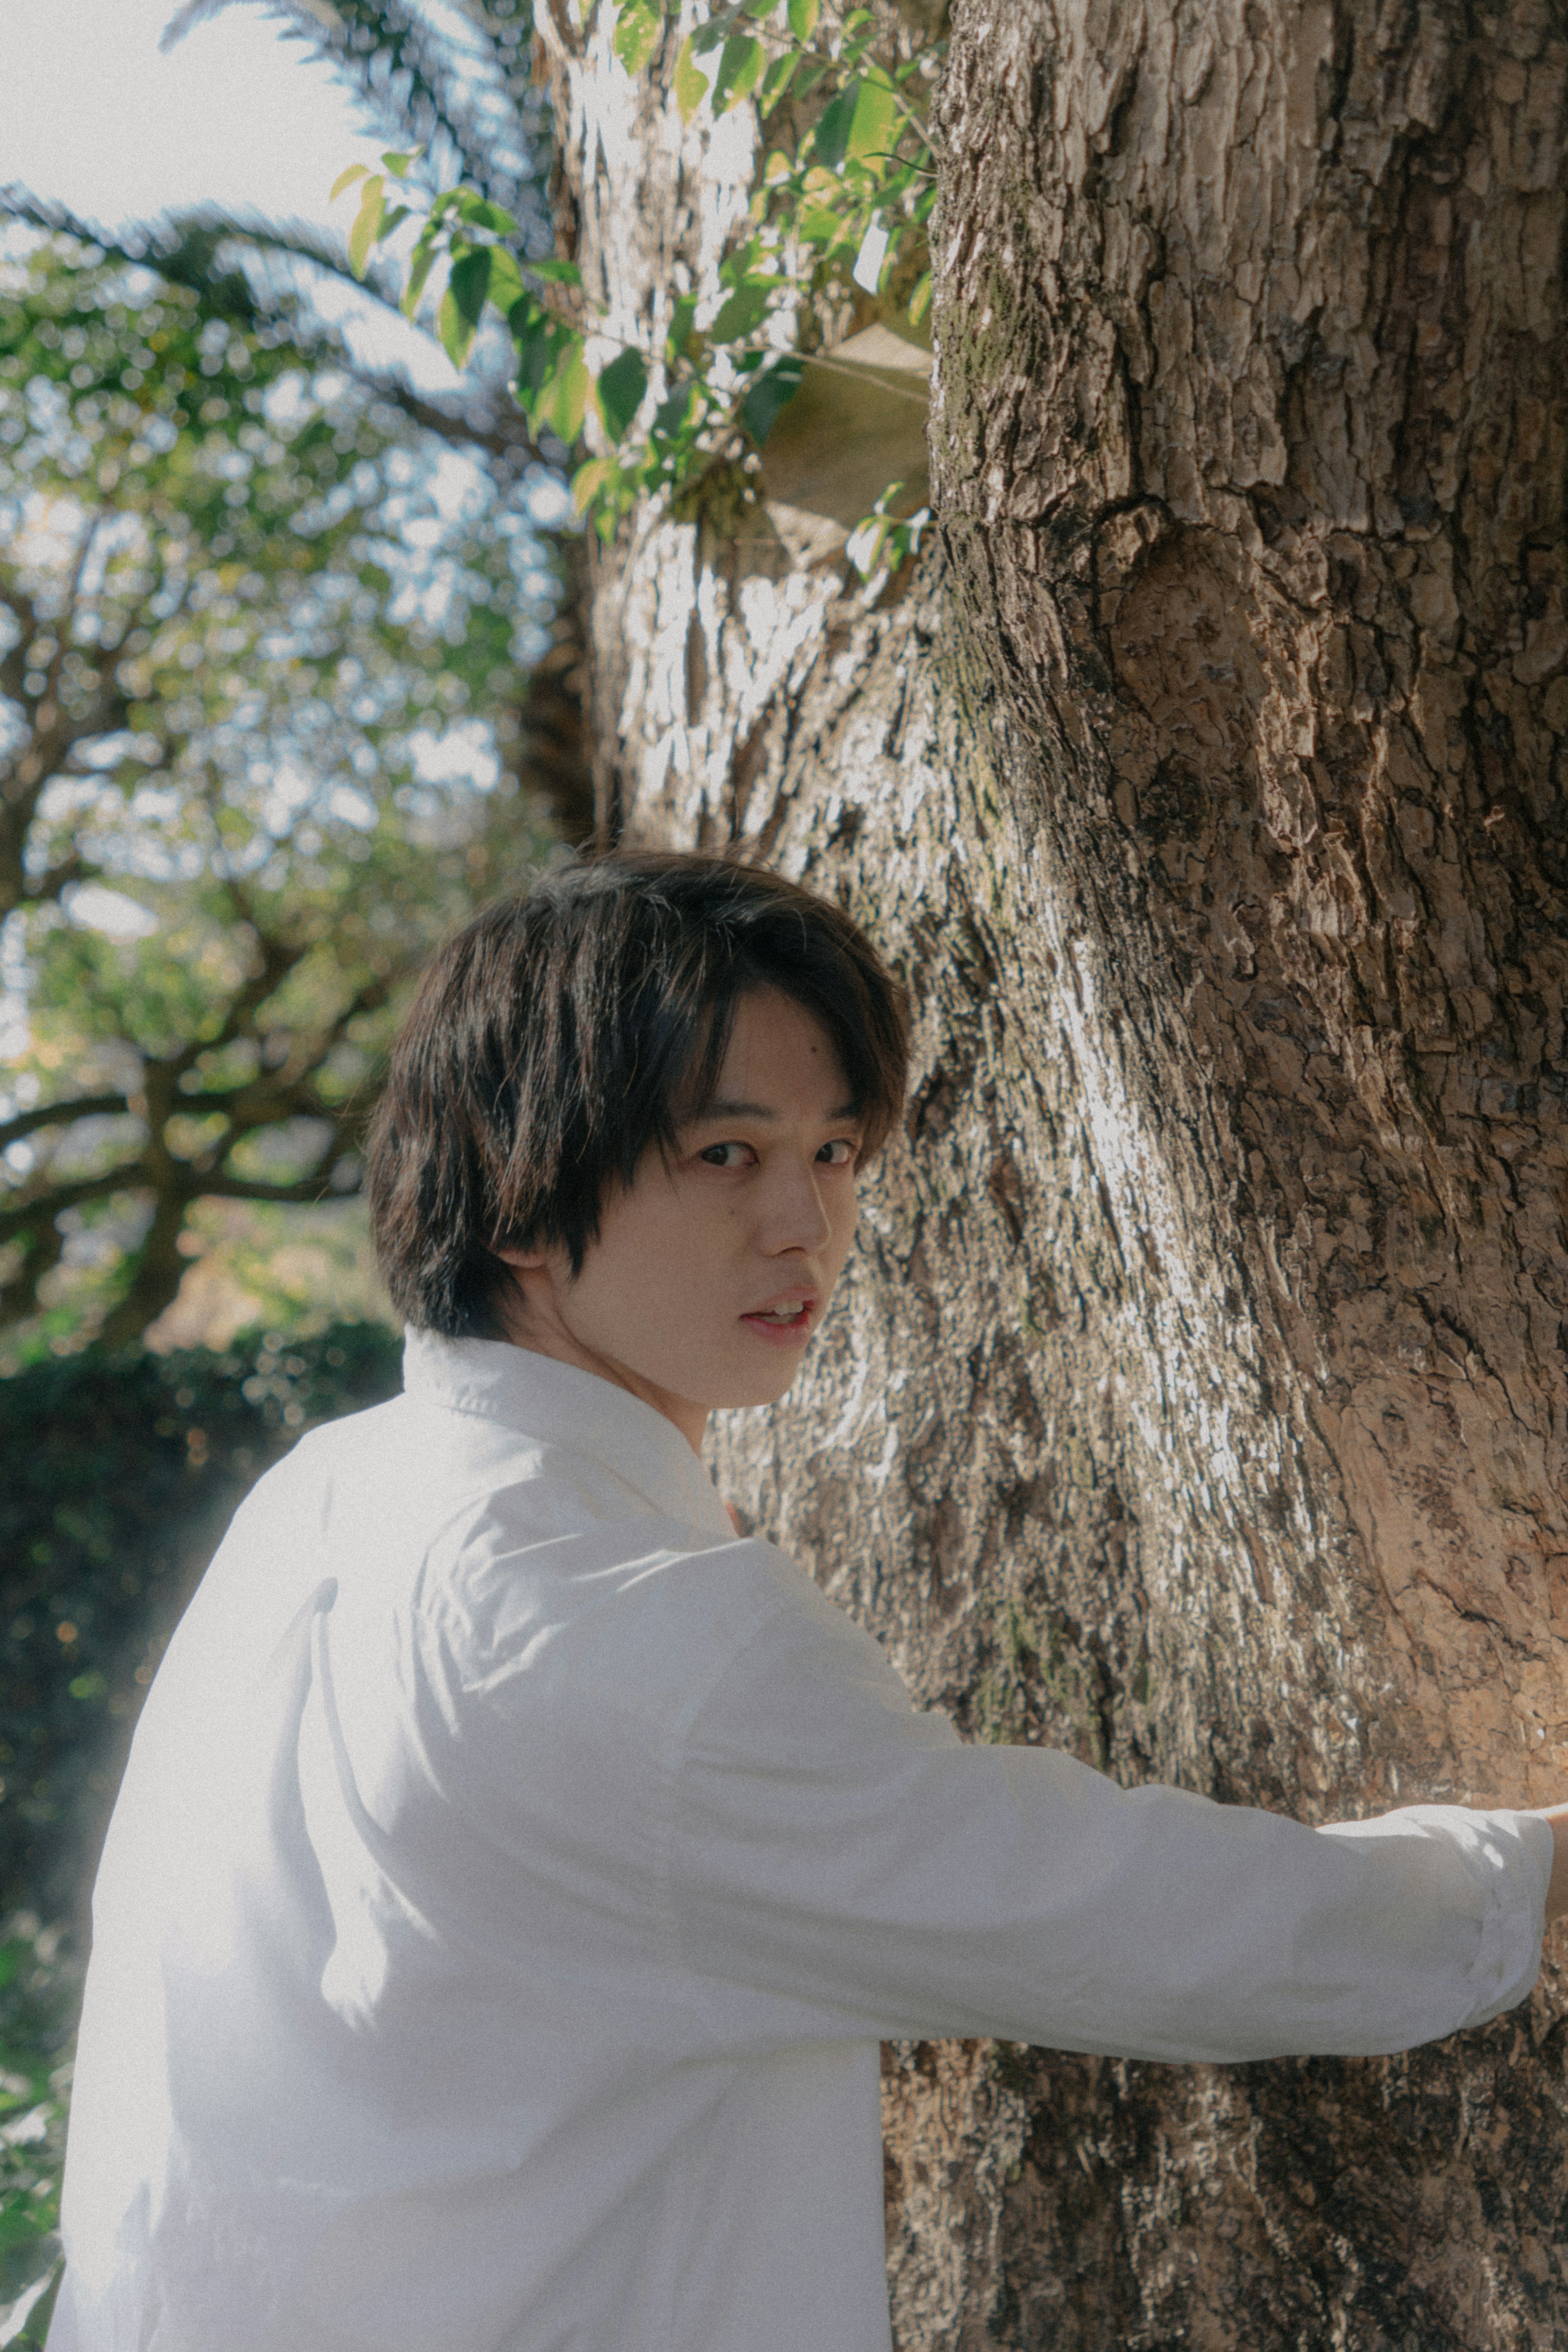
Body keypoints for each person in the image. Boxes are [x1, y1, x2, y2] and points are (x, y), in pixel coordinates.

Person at [48, 852, 1566, 2352]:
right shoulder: (622, 1630)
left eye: (835, 1151)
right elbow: (1103, 1911)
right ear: (518, 1195)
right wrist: (1523, 1877)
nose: (807, 1225)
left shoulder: (326, 1493)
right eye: (727, 1155)